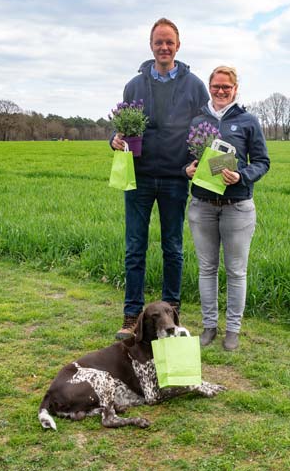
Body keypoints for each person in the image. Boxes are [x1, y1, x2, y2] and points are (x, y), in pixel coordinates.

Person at [110, 18, 209, 340]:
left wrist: (199, 160)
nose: (164, 47)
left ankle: (171, 315)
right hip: (138, 177)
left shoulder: (194, 85)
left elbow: (206, 129)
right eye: (158, 42)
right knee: (135, 247)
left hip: (175, 178)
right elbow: (123, 127)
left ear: (178, 46)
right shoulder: (134, 85)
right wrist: (114, 137)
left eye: (169, 42)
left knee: (173, 247)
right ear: (150, 46)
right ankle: (131, 316)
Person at [186, 66, 270, 351]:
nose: (221, 91)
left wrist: (241, 176)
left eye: (227, 87)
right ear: (209, 86)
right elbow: (186, 158)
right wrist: (187, 168)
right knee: (207, 268)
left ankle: (233, 329)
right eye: (216, 86)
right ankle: (209, 327)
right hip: (202, 205)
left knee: (236, 271)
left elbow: (262, 162)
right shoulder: (198, 119)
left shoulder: (248, 121)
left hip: (237, 207)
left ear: (235, 89)